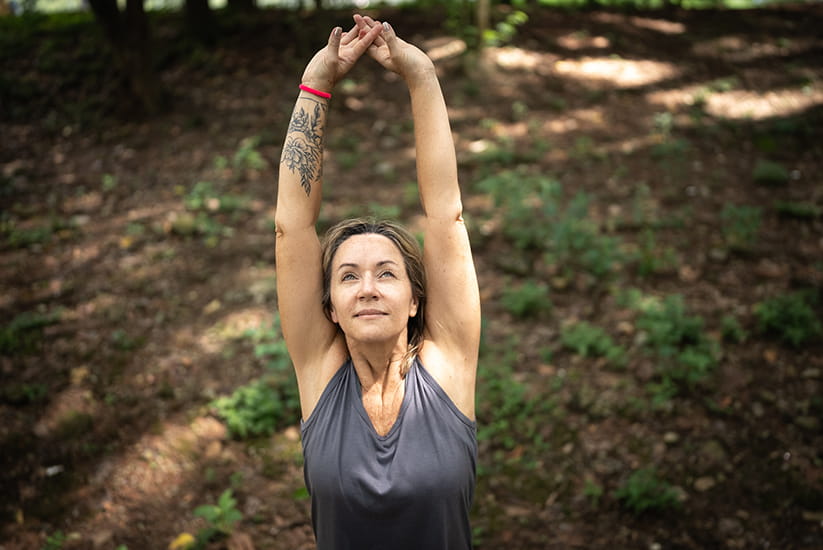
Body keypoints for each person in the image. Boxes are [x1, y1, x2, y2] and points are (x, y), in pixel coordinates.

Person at [275, 14, 481, 550]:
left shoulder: (447, 367)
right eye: (348, 277)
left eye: (386, 273)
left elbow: (446, 215)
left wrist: (422, 76)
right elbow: (291, 227)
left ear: (415, 301)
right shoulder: (319, 373)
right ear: (330, 308)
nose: (367, 287)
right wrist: (316, 84)